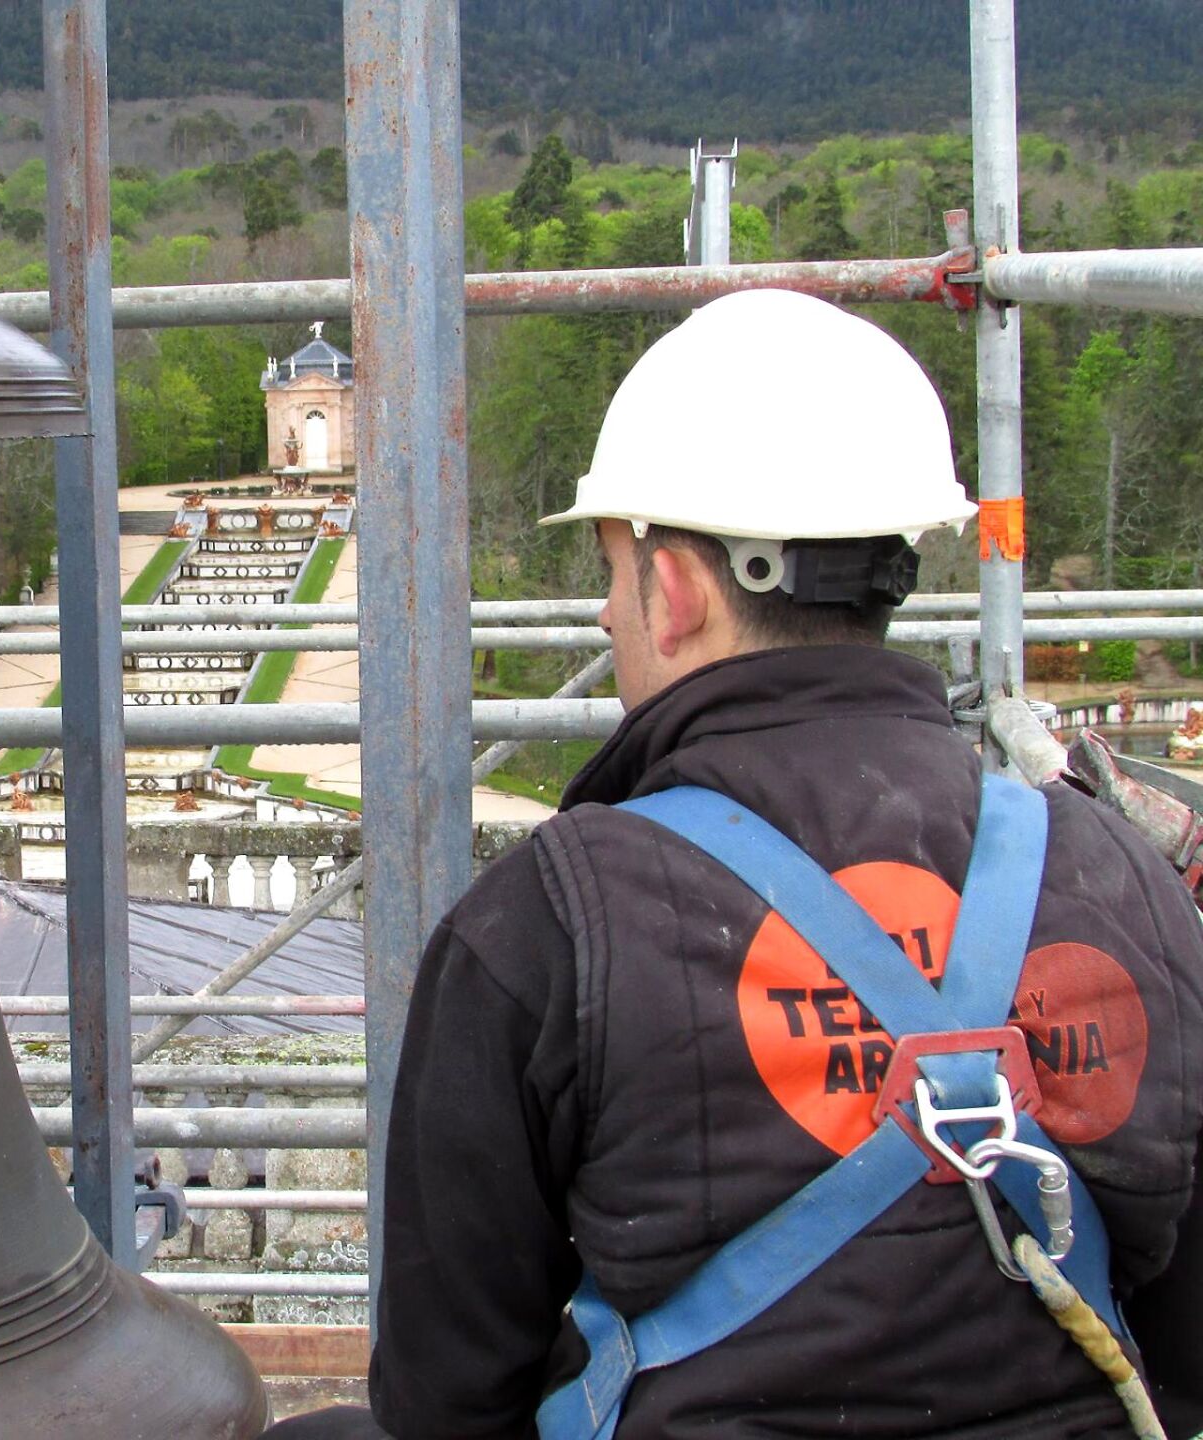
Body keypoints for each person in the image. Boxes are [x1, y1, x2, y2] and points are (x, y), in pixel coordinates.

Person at [262, 289, 1203, 1438]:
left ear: (674, 590)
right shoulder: (1124, 873)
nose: (608, 613)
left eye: (611, 570)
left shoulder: (546, 927)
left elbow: (447, 1397)